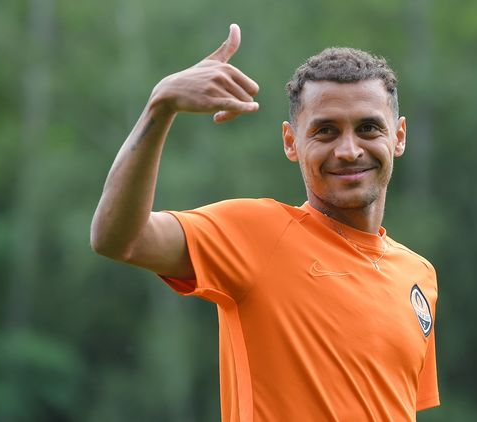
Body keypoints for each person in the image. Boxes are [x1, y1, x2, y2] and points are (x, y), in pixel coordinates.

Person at [90, 23, 439, 421]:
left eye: (368, 128)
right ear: (291, 142)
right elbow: (119, 238)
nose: (348, 150)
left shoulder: (418, 276)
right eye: (326, 131)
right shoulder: (258, 234)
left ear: (399, 136)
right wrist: (160, 106)